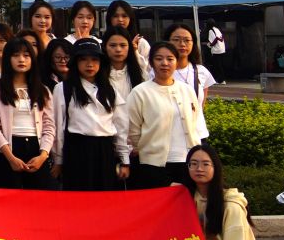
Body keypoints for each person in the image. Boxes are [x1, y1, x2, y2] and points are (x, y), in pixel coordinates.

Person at [127, 40, 208, 189]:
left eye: (170, 59)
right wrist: (143, 148)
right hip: (155, 164)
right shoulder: (140, 92)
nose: (164, 63)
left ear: (176, 62)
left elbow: (195, 121)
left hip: (188, 160)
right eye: (159, 59)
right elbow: (133, 130)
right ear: (151, 63)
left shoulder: (187, 90)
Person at [55, 36, 129, 191]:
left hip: (105, 150)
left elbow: (120, 126)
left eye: (95, 59)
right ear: (75, 62)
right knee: (78, 197)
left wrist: (124, 160)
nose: (89, 64)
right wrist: (59, 159)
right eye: (83, 59)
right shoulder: (64, 88)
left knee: (105, 197)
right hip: (77, 150)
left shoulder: (110, 90)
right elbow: (59, 126)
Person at [0, 36, 55, 190]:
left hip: (37, 148)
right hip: (8, 149)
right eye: (15, 55)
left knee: (38, 199)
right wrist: (10, 157)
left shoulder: (43, 90)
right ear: (8, 59)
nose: (21, 59)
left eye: (26, 55)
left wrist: (43, 155)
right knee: (9, 199)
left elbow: (49, 125)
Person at [165, 22, 218, 108]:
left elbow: (200, 108)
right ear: (167, 42)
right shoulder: (158, 71)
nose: (182, 44)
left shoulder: (201, 71)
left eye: (187, 40)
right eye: (176, 40)